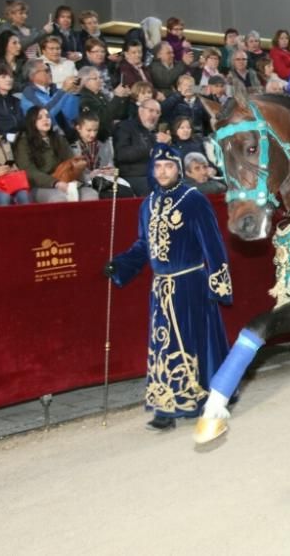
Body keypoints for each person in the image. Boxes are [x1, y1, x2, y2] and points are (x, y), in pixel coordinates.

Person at [105, 144, 233, 430]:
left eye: (169, 166)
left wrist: (219, 284)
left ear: (178, 169)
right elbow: (143, 246)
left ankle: (200, 399)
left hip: (191, 284)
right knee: (162, 345)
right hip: (161, 288)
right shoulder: (147, 204)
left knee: (192, 342)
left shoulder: (193, 199)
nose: (163, 172)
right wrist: (121, 264)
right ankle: (165, 406)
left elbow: (212, 244)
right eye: (158, 167)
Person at [15, 106, 99, 203]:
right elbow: (29, 170)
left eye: (47, 116)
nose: (45, 119)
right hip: (39, 185)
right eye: (40, 118)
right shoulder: (23, 141)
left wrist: (79, 174)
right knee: (58, 198)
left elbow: (70, 161)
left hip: (65, 180)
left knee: (91, 194)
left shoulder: (58, 138)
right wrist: (55, 183)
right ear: (31, 121)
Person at [114, 97, 170, 195]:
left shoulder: (154, 132)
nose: (154, 115)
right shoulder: (125, 127)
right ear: (140, 110)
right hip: (134, 175)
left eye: (158, 113)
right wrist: (151, 149)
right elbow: (121, 155)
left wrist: (166, 145)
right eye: (151, 111)